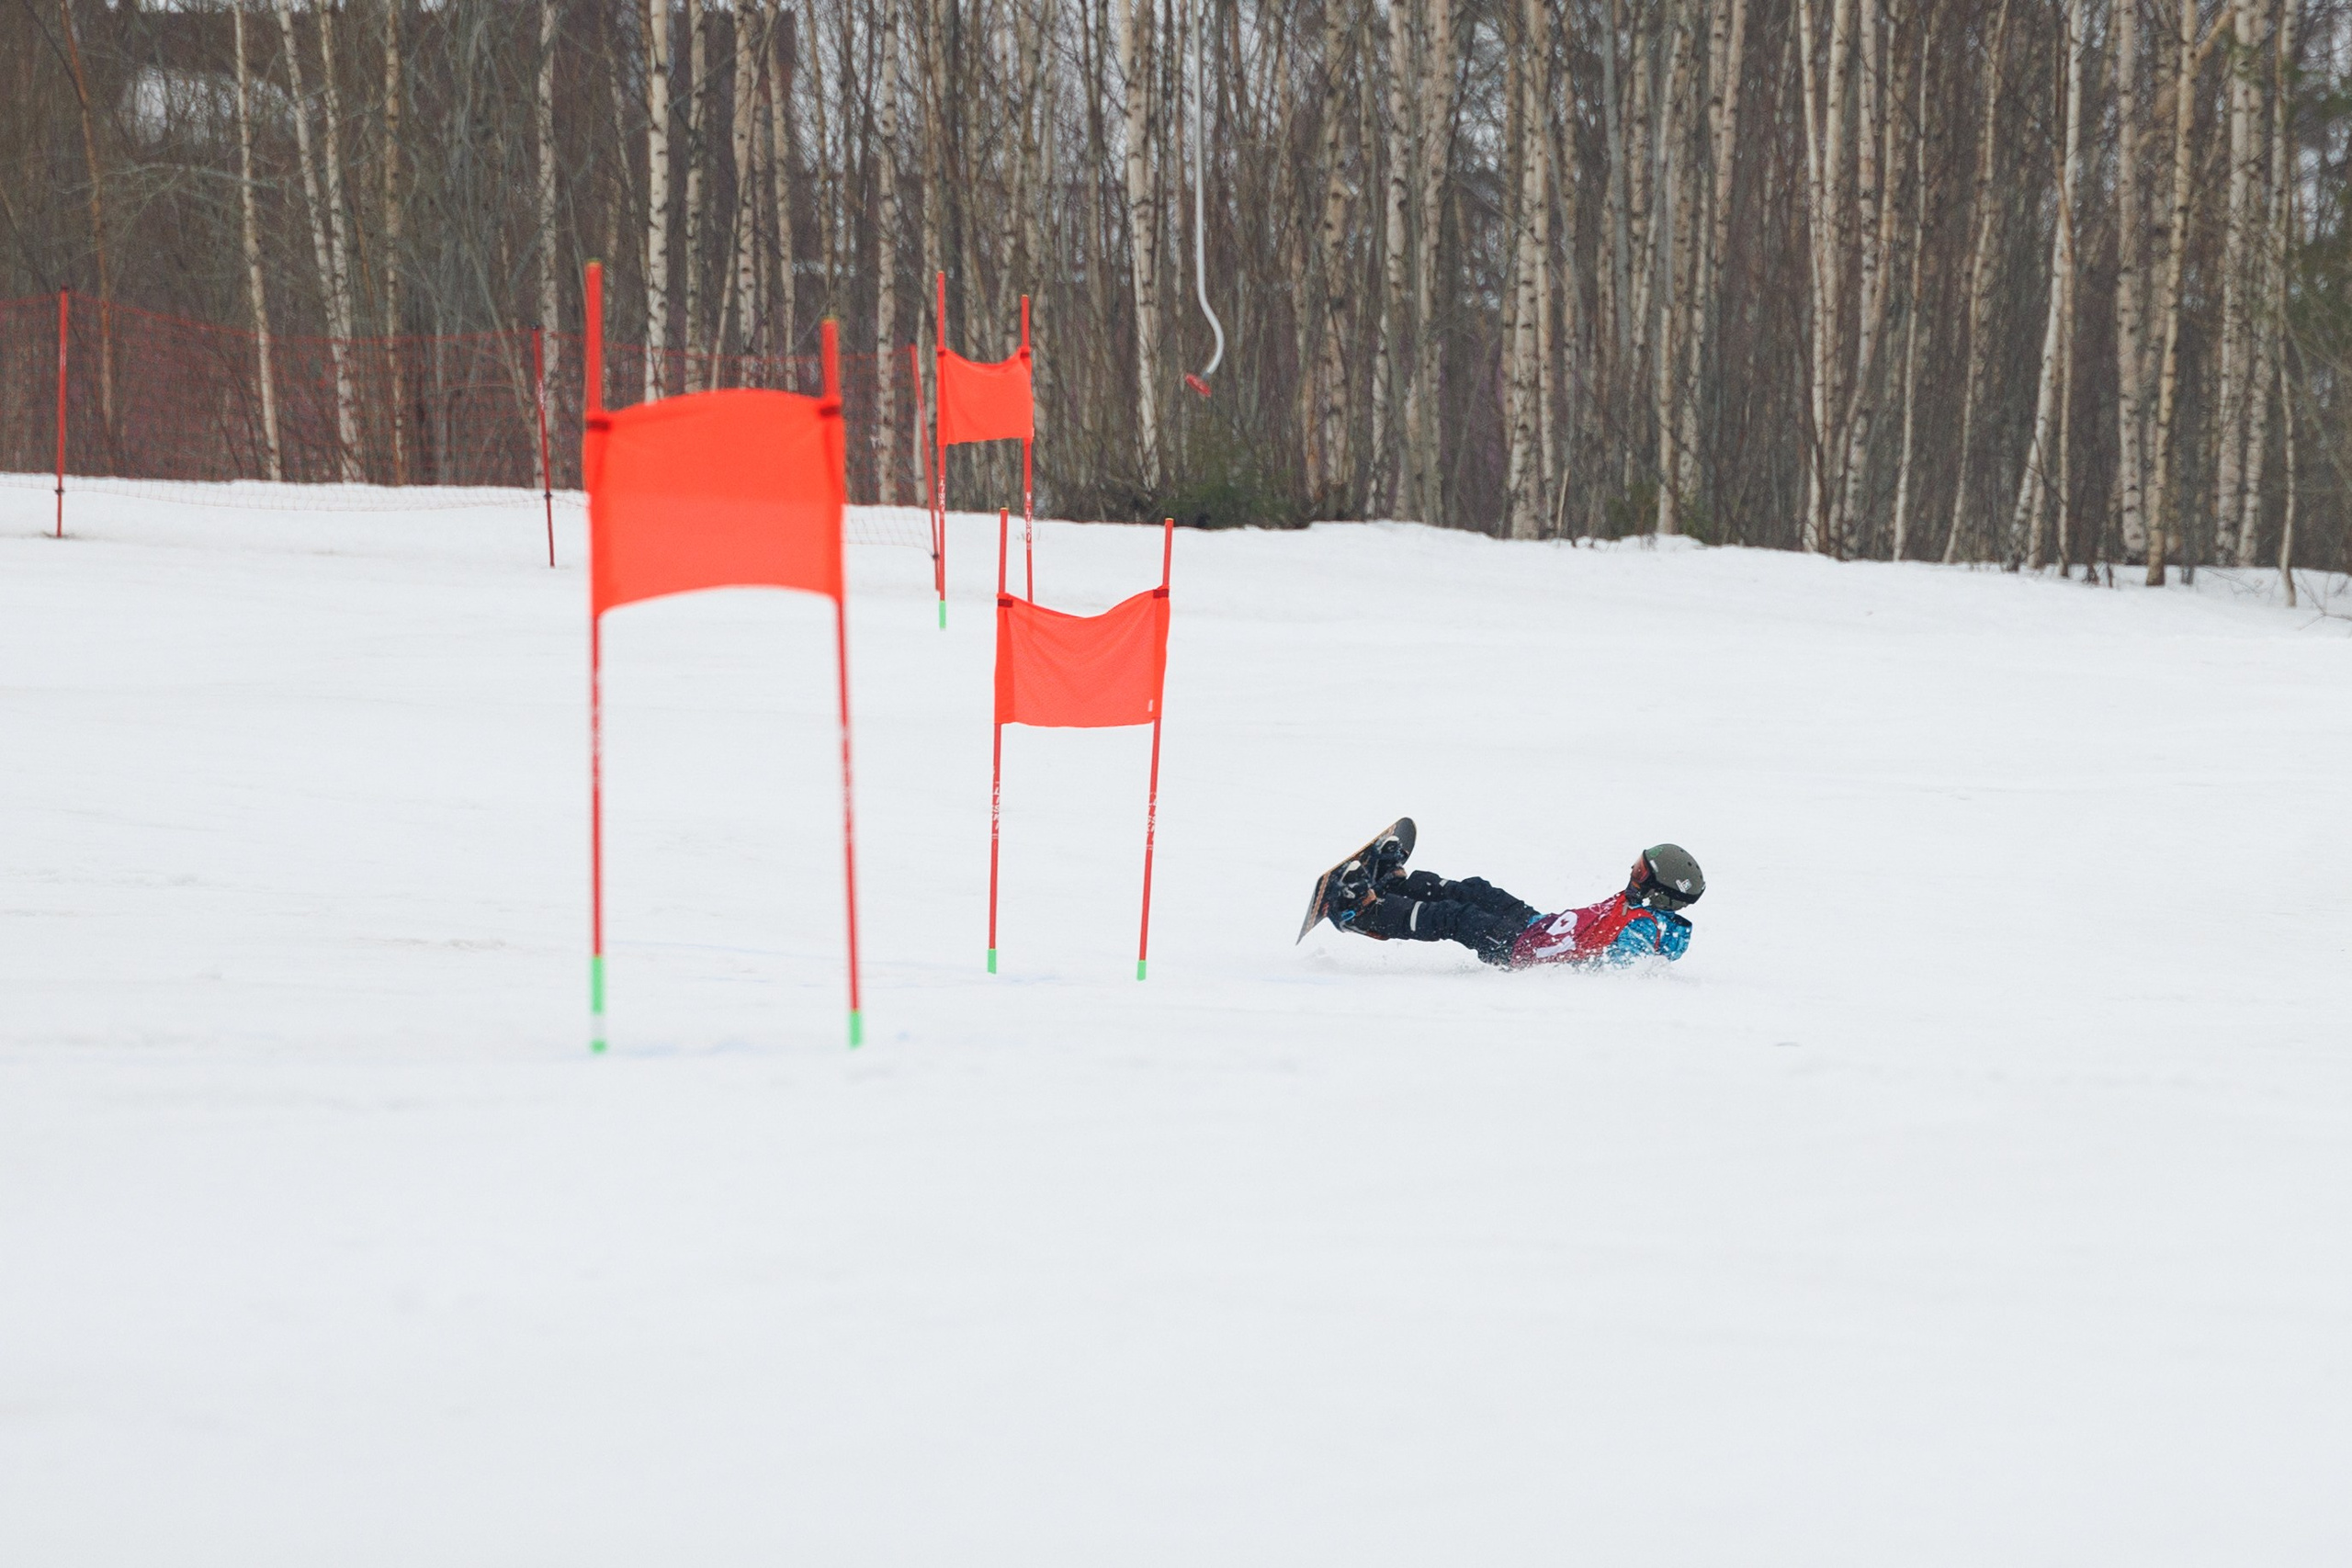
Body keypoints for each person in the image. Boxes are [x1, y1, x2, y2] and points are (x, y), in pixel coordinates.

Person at [1332, 837, 1704, 969]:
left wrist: (1562, 971)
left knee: (1456, 917)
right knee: (1477, 890)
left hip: (1525, 952)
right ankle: (1396, 883)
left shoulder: (1645, 927)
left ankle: (1366, 912)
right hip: (1537, 926)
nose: (1631, 872)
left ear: (1658, 892)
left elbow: (1618, 972)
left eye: (1641, 872)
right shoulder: (1638, 902)